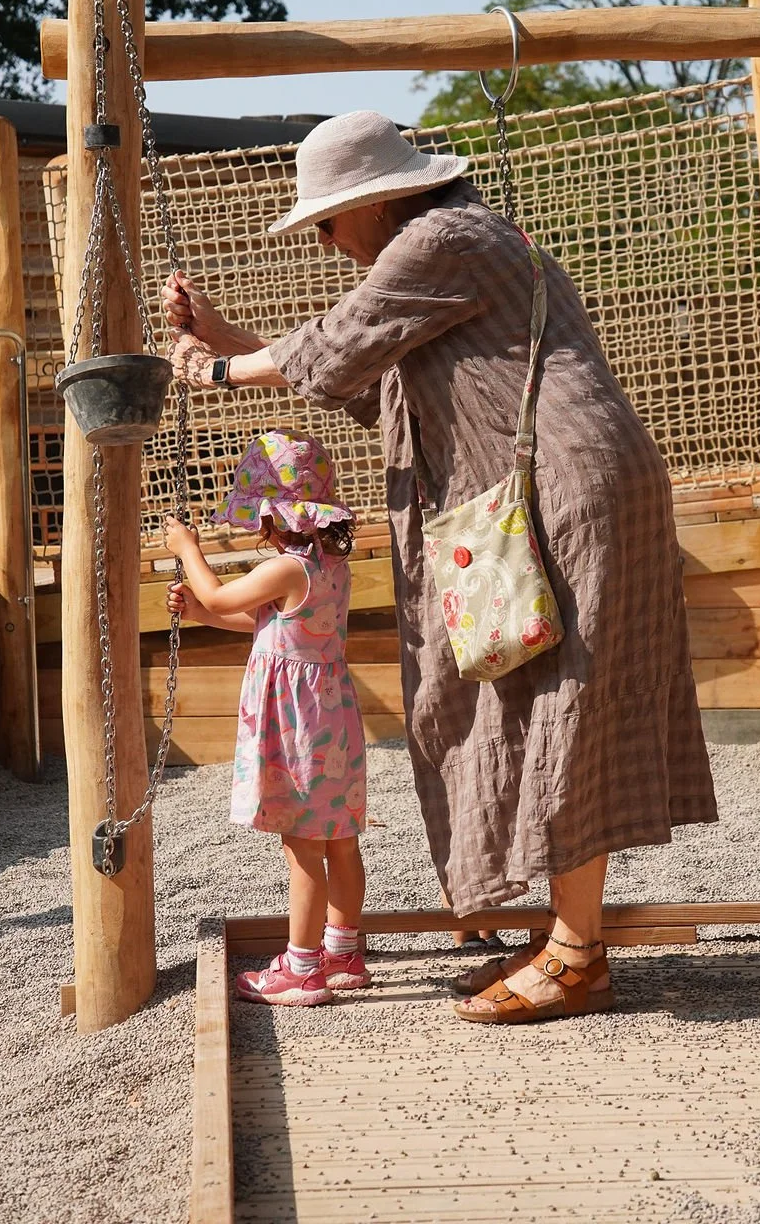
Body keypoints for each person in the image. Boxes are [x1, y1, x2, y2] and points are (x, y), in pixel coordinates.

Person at [163, 109, 718, 1026]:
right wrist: (227, 339)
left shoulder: (445, 236)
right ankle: (566, 942)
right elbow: (362, 383)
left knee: (562, 707)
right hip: (539, 496)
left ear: (378, 200)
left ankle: (578, 957)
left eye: (331, 222)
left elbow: (338, 344)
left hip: (569, 493)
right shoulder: (445, 246)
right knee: (527, 698)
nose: (332, 242)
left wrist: (213, 372)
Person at [163, 428, 370, 1008]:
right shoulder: (328, 567)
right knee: (341, 841)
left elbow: (229, 597)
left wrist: (188, 551)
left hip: (298, 725)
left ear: (279, 516)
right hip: (333, 722)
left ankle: (302, 969)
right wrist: (202, 611)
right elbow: (267, 624)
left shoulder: (286, 569)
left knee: (303, 845)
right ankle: (344, 952)